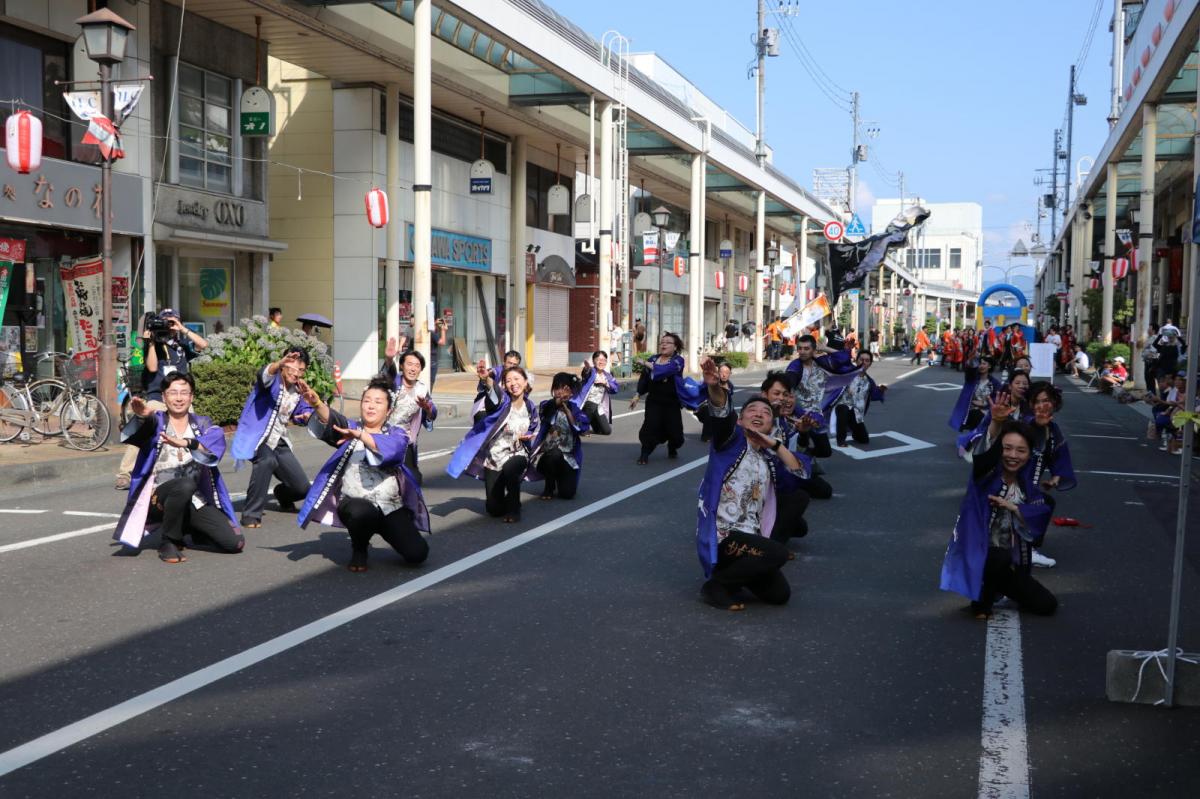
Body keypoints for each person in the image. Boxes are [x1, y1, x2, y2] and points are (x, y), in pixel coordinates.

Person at [694, 358, 810, 611]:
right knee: (778, 553)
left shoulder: (769, 459)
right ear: (740, 420)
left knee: (780, 594)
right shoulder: (729, 443)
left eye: (766, 413)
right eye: (752, 411)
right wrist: (714, 388)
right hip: (725, 538)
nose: (759, 414)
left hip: (752, 541)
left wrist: (775, 445)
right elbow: (721, 412)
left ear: (771, 424)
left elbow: (798, 475)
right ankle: (716, 585)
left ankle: (735, 580)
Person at [297, 377, 429, 573]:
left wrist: (360, 436)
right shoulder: (351, 427)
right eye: (367, 400)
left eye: (378, 402)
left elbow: (391, 452)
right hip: (355, 503)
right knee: (362, 512)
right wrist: (316, 403)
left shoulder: (397, 434)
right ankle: (359, 548)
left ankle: (389, 528)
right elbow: (334, 420)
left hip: (389, 505)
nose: (371, 406)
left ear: (389, 410)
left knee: (417, 554)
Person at [113, 373, 243, 564]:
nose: (179, 398)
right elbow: (137, 435)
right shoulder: (156, 421)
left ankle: (187, 529)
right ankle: (169, 541)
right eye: (173, 393)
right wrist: (142, 417)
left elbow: (215, 443)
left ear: (192, 397)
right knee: (183, 485)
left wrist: (185, 442)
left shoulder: (201, 423)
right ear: (164, 397)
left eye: (184, 393)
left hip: (193, 499)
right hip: (157, 498)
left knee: (234, 543)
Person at [940, 412, 1057, 620]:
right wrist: (995, 423)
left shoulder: (1025, 486)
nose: (1013, 455)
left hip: (1006, 564)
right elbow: (983, 457)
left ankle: (994, 587)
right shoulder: (985, 478)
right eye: (1007, 448)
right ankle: (982, 602)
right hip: (978, 555)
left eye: (1021, 450)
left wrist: (1013, 508)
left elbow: (1040, 515)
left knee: (1046, 604)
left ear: (1029, 455)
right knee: (998, 556)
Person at [115, 309, 209, 490]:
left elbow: (203, 345)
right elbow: (151, 367)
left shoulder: (182, 345)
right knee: (143, 430)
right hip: (157, 396)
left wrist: (182, 328)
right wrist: (150, 343)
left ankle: (200, 469)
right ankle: (125, 474)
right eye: (164, 321)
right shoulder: (154, 344)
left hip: (181, 397)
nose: (167, 325)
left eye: (171, 321)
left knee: (194, 431)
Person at [229, 348, 314, 529]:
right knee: (266, 461)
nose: (297, 373)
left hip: (278, 440)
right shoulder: (272, 380)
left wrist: (306, 415)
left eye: (301, 370)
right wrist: (278, 364)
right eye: (293, 368)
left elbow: (303, 410)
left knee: (302, 488)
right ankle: (251, 514)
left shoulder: (298, 389)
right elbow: (264, 375)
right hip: (257, 437)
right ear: (284, 365)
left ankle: (282, 494)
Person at [448, 365, 538, 523]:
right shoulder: (502, 403)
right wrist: (486, 379)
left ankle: (514, 509)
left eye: (517, 379)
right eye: (508, 380)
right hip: (495, 458)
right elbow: (494, 395)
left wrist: (529, 437)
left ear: (525, 382)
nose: (513, 383)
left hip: (518, 453)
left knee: (511, 468)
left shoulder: (530, 407)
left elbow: (533, 428)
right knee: (494, 509)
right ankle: (509, 498)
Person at [630, 332, 701, 464]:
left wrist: (644, 363)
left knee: (675, 433)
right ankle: (644, 453)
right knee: (650, 426)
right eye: (662, 342)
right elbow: (644, 379)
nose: (664, 344)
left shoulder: (678, 361)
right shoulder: (652, 359)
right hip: (654, 401)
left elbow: (664, 371)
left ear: (675, 347)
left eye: (668, 342)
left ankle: (672, 447)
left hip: (672, 402)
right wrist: (637, 394)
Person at [380, 342, 438, 485]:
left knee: (413, 479)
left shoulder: (422, 389)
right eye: (409, 364)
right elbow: (389, 373)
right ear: (402, 366)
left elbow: (432, 413)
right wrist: (388, 359)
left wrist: (427, 409)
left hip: (406, 441)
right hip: (384, 438)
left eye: (417, 366)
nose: (413, 369)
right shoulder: (393, 382)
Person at [531, 372, 590, 500]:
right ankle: (549, 485)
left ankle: (560, 477)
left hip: (568, 457)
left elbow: (582, 429)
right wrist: (558, 402)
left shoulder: (576, 410)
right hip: (547, 455)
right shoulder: (547, 405)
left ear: (571, 392)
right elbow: (545, 413)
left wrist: (568, 411)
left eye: (564, 388)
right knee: (554, 453)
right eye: (557, 388)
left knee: (567, 494)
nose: (559, 392)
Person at [833, 351, 887, 447]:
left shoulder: (869, 381)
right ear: (856, 360)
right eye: (861, 359)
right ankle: (840, 440)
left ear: (870, 364)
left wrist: (881, 390)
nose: (864, 362)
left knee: (864, 439)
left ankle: (854, 431)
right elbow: (838, 361)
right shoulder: (848, 372)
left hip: (856, 413)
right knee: (843, 408)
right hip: (842, 407)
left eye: (867, 360)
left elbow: (874, 396)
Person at [949, 355, 1002, 432]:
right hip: (970, 409)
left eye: (984, 364)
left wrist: (984, 403)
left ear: (989, 366)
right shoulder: (972, 379)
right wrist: (971, 360)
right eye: (980, 363)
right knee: (975, 414)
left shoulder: (995, 383)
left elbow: (997, 397)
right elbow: (969, 370)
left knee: (980, 416)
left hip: (987, 410)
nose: (981, 366)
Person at [472, 350, 526, 423]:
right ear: (504, 363)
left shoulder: (519, 378)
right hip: (485, 410)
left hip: (504, 412)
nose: (512, 366)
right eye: (509, 363)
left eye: (515, 364)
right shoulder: (498, 371)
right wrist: (486, 375)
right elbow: (492, 372)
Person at [576, 351, 620, 435]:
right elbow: (586, 374)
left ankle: (592, 422)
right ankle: (582, 426)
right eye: (598, 359)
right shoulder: (591, 371)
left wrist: (606, 383)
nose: (601, 362)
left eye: (604, 360)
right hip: (585, 404)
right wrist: (586, 368)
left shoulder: (607, 376)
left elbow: (615, 389)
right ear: (593, 361)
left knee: (606, 431)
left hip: (598, 406)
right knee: (592, 404)